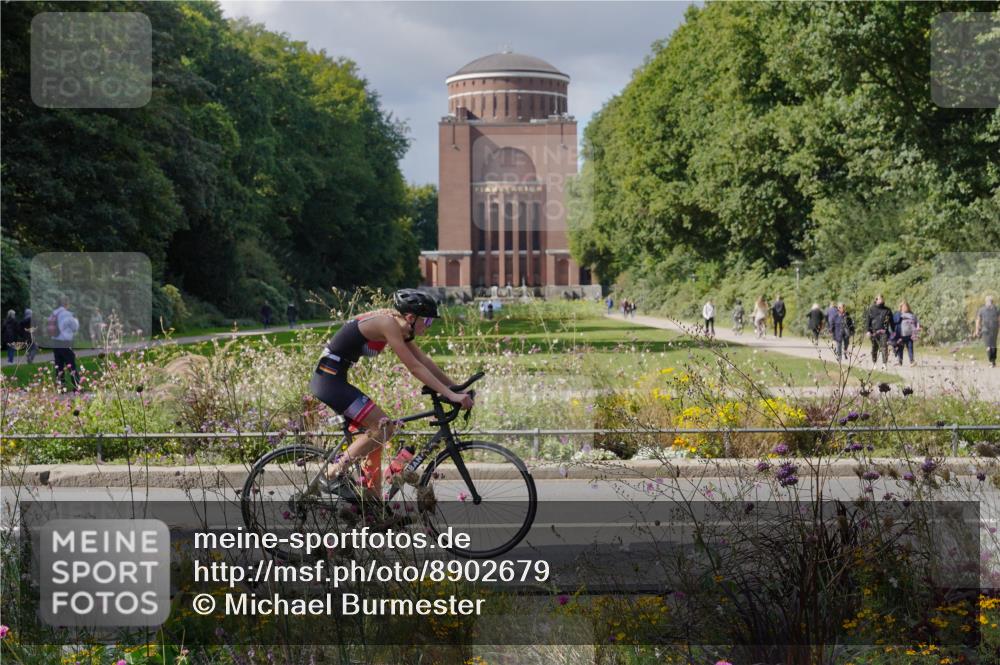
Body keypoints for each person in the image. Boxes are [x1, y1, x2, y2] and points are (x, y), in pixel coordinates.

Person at [310, 289, 473, 498]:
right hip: (328, 379)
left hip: (335, 377)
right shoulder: (388, 324)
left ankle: (373, 506)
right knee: (385, 427)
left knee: (376, 436)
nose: (429, 326)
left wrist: (456, 388)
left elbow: (424, 361)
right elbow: (414, 368)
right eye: (428, 321)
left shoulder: (401, 326)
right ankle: (333, 474)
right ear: (411, 318)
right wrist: (451, 396)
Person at [50, 296, 80, 390]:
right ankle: (76, 386)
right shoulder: (67, 314)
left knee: (59, 366)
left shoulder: (54, 313)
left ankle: (61, 387)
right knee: (71, 365)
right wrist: (76, 320)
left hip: (55, 342)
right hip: (65, 342)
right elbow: (75, 327)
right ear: (66, 304)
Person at [865, 294, 895, 370]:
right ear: (876, 300)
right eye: (880, 299)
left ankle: (884, 364)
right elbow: (868, 321)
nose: (881, 300)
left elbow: (892, 322)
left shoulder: (887, 310)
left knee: (884, 347)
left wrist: (894, 331)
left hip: (884, 332)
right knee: (874, 347)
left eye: (882, 298)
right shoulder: (871, 309)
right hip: (874, 332)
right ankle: (874, 363)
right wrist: (868, 331)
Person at [975, 296, 999, 368]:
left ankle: (991, 361)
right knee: (993, 345)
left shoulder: (981, 309)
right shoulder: (996, 309)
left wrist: (977, 330)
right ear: (992, 301)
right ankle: (993, 361)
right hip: (994, 329)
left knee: (988, 345)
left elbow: (978, 320)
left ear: (985, 302)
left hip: (986, 330)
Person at [893, 300, 919, 366]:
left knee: (910, 348)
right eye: (903, 307)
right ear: (901, 307)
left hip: (910, 335)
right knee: (900, 348)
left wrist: (917, 328)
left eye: (906, 307)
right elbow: (894, 322)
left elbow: (916, 322)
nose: (905, 308)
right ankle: (900, 361)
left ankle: (912, 361)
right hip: (901, 335)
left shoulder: (911, 314)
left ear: (908, 307)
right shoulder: (898, 314)